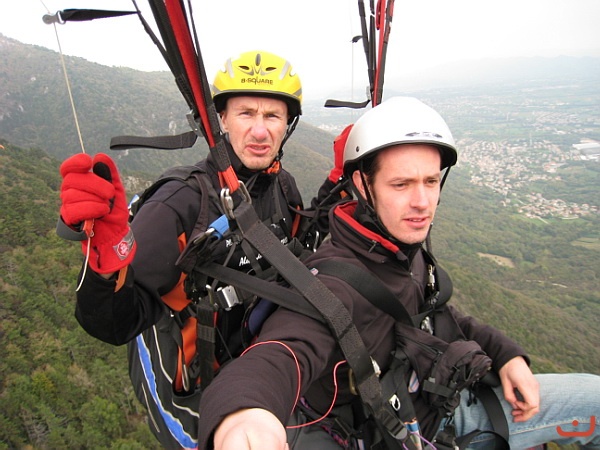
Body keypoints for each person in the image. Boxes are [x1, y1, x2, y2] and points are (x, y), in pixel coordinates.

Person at [196, 96, 600, 450]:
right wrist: (244, 413)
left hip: (432, 400)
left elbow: (438, 312)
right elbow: (282, 352)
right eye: (401, 184)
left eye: (430, 181)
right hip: (414, 429)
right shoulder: (335, 283)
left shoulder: (397, 249)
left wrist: (506, 355)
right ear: (362, 184)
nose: (422, 202)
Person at [57, 50, 347, 448]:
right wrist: (106, 262)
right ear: (222, 120)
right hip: (187, 384)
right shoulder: (180, 204)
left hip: (251, 362)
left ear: (288, 125)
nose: (259, 131)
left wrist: (340, 184)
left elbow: (299, 246)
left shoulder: (282, 186)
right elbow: (114, 325)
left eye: (272, 116)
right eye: (246, 113)